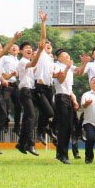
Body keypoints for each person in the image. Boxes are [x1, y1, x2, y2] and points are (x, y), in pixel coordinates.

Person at [33, 13, 56, 144]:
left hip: (49, 88)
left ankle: (45, 129)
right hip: (40, 87)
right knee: (48, 112)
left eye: (50, 45)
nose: (48, 45)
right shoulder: (40, 54)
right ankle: (41, 131)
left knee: (47, 112)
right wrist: (43, 23)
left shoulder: (51, 59)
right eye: (45, 44)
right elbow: (43, 37)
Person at [52, 48, 76, 164]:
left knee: (68, 127)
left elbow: (79, 72)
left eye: (68, 55)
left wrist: (84, 62)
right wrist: (67, 68)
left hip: (68, 97)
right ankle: (63, 155)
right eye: (65, 55)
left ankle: (60, 153)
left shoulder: (70, 69)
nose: (68, 57)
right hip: (60, 97)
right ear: (59, 58)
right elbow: (61, 81)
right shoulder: (57, 66)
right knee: (64, 127)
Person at [1, 43, 22, 134]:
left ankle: (17, 127)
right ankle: (5, 123)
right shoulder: (4, 58)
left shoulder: (20, 61)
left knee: (18, 105)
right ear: (8, 50)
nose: (14, 47)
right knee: (6, 104)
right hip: (6, 84)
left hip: (14, 84)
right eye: (12, 46)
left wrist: (18, 75)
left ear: (19, 51)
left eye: (16, 47)